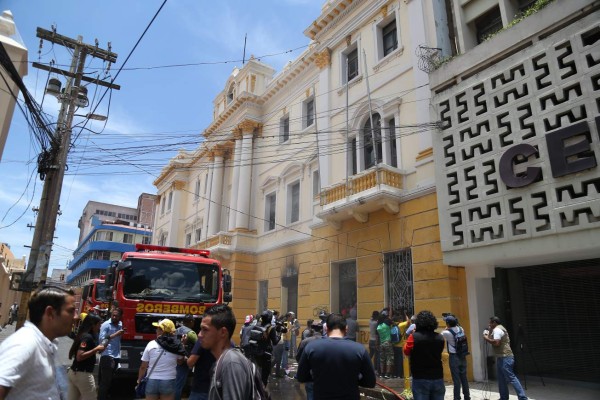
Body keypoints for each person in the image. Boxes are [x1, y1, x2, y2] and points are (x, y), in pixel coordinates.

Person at [0, 286, 77, 400]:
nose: (76, 317)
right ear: (50, 313)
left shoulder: (45, 344)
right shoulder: (25, 343)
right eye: (71, 311)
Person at [297, 313, 376, 399]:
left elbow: (301, 377)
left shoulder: (311, 348)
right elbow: (370, 382)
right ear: (346, 328)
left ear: (326, 328)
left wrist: (318, 377)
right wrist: (353, 379)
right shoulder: (359, 350)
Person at [200, 304, 254, 400]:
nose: (199, 335)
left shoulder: (231, 363)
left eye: (205, 330)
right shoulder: (225, 360)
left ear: (223, 332)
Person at [137, 319, 186, 400]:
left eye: (158, 329)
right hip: (168, 381)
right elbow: (180, 362)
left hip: (152, 381)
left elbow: (143, 366)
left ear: (163, 331)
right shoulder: (177, 346)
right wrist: (183, 345)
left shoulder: (151, 344)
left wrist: (139, 380)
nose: (156, 330)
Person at [403, 310, 445, 400]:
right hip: (438, 377)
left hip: (420, 378)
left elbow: (406, 351)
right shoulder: (440, 337)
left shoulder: (413, 337)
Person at [483, 316, 527, 400]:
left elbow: (496, 343)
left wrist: (485, 337)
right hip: (501, 357)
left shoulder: (497, 330)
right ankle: (503, 397)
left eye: (490, 323)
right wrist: (488, 333)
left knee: (511, 378)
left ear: (494, 323)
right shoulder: (497, 329)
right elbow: (492, 339)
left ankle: (522, 397)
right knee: (501, 379)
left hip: (505, 357)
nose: (489, 324)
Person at [68, 313, 104, 400]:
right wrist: (96, 349)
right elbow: (79, 357)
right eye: (99, 324)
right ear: (93, 325)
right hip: (83, 375)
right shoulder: (88, 337)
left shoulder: (83, 335)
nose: (100, 327)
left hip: (74, 373)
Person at [97, 307, 125, 400]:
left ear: (120, 316)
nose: (114, 317)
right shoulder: (106, 325)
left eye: (116, 316)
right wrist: (116, 334)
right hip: (107, 355)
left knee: (110, 381)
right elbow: (102, 340)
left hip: (116, 355)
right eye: (113, 315)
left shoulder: (120, 324)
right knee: (105, 381)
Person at [441, 315, 470, 400]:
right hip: (463, 356)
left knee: (456, 380)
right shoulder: (461, 329)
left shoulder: (446, 333)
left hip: (454, 357)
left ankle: (457, 397)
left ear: (448, 323)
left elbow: (440, 336)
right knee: (464, 378)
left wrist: (446, 328)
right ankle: (467, 397)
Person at [295, 320, 324, 400]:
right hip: (324, 376)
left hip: (310, 376)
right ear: (322, 330)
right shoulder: (328, 341)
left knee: (310, 395)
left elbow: (298, 357)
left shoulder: (305, 342)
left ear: (311, 329)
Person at [175, 314, 198, 400]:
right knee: (179, 383)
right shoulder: (191, 333)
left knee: (177, 382)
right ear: (191, 322)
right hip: (186, 360)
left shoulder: (176, 330)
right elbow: (199, 345)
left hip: (176, 359)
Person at [392, 313, 410, 379]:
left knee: (395, 360)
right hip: (400, 345)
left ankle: (395, 374)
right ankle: (399, 375)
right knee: (400, 361)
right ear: (400, 320)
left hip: (394, 345)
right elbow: (408, 322)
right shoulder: (401, 325)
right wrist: (406, 315)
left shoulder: (392, 325)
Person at [377, 311, 394, 378]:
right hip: (388, 342)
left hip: (381, 343)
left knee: (382, 359)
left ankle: (381, 373)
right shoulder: (386, 323)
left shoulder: (378, 327)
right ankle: (387, 373)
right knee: (389, 358)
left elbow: (377, 336)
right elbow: (393, 323)